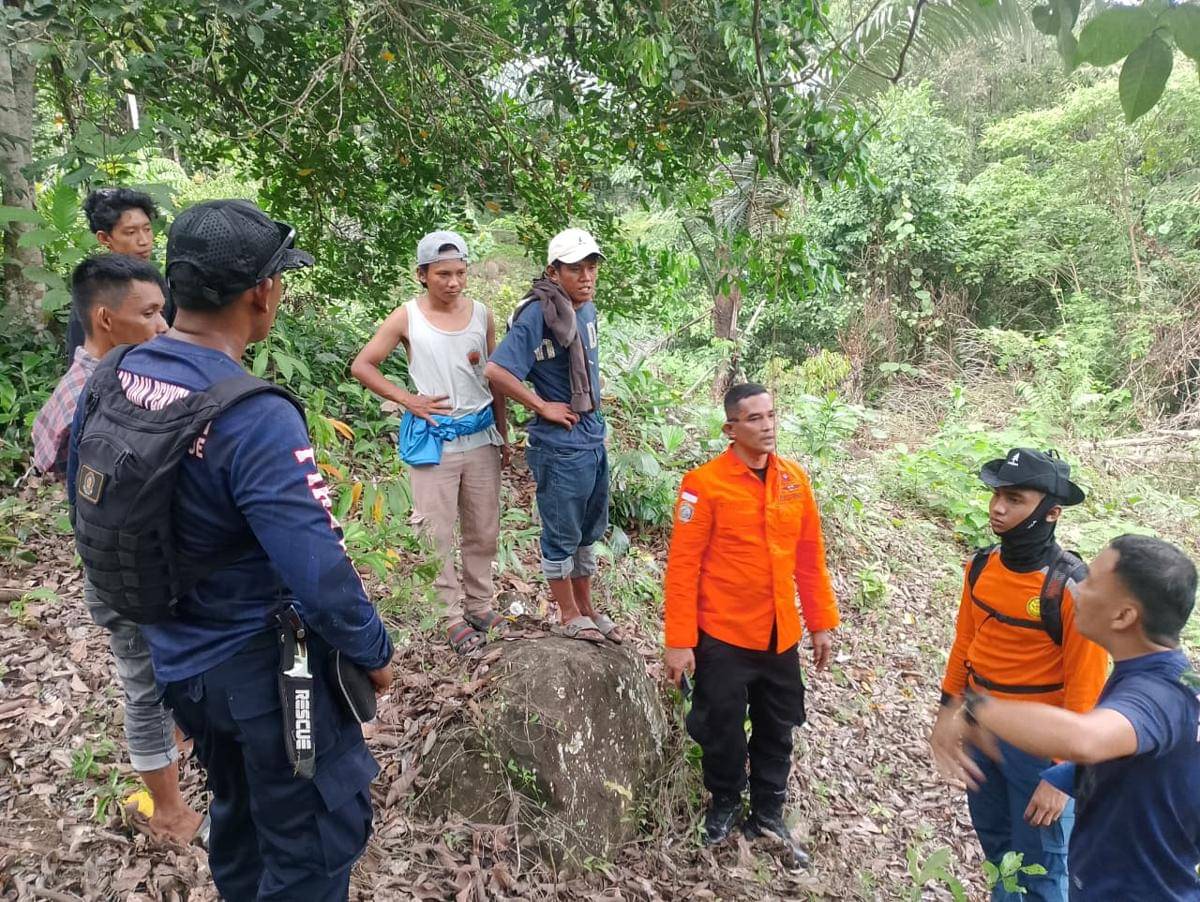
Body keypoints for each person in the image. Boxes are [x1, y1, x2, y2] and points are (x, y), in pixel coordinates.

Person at [68, 200, 394, 900]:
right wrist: (374, 650)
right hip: (269, 677)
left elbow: (85, 504)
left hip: (180, 665)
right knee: (310, 847)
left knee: (240, 824)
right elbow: (321, 572)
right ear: (261, 293)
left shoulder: (112, 376)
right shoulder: (252, 414)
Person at [31, 255, 204, 843]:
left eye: (164, 310)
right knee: (142, 681)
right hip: (122, 568)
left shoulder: (99, 382)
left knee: (158, 673)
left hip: (121, 557)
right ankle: (170, 811)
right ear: (104, 318)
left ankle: (178, 749)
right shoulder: (97, 390)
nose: (163, 326)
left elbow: (50, 457)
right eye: (151, 313)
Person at [939, 535, 1199, 901]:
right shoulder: (1160, 674)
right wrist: (1065, 775)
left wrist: (977, 710)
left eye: (1091, 582)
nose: (1077, 589)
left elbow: (1086, 739)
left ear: (1124, 615)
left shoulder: (1159, 694)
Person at [662, 382, 840, 864]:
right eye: (755, 419)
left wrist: (820, 622)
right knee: (720, 725)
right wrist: (679, 642)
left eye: (772, 416)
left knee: (778, 725)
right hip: (722, 634)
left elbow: (809, 560)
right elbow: (683, 567)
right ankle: (723, 803)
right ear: (731, 428)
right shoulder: (704, 484)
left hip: (780, 634)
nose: (767, 426)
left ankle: (767, 811)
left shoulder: (794, 481)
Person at [930, 448, 1109, 902]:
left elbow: (1087, 689)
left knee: (1043, 868)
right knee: (999, 853)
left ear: (1051, 512)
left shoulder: (1070, 588)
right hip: (984, 730)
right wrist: (948, 712)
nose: (997, 508)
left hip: (1042, 747)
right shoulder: (981, 568)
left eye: (1014, 498)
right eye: (996, 496)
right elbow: (965, 644)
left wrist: (1065, 776)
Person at [351, 230, 508, 655]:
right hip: (433, 441)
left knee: (483, 526)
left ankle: (480, 604)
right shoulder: (407, 317)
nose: (454, 282)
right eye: (443, 274)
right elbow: (363, 364)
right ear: (422, 274)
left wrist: (503, 432)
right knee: (434, 531)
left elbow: (493, 377)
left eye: (460, 272)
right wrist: (408, 399)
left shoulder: (481, 315)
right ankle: (449, 615)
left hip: (480, 437)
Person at [485, 227, 622, 644]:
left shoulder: (585, 309)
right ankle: (566, 613)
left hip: (590, 436)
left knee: (587, 531)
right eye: (575, 268)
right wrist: (541, 405)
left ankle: (587, 608)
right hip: (559, 444)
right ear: (553, 270)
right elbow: (496, 370)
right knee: (562, 531)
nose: (586, 276)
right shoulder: (537, 314)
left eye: (591, 267)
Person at [65, 188, 175, 362]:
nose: (143, 241)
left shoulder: (154, 282)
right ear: (104, 238)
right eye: (130, 232)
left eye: (147, 229)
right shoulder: (98, 293)